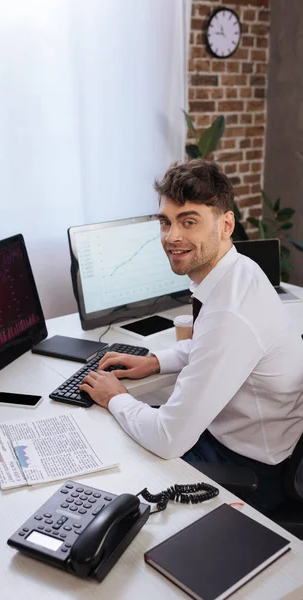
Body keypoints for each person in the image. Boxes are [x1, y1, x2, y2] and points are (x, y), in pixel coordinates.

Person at [79, 158, 303, 513]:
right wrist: (154, 362)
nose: (172, 237)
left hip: (253, 472)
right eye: (166, 222)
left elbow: (168, 439)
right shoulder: (240, 270)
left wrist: (116, 397)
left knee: (110, 453)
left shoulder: (232, 312)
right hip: (250, 444)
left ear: (226, 224)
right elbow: (212, 348)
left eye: (189, 222)